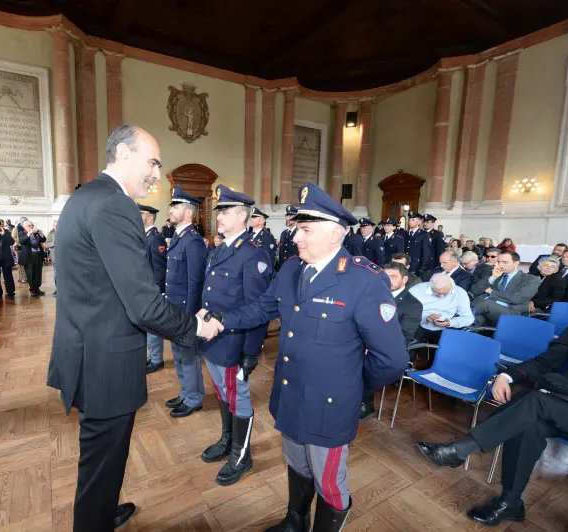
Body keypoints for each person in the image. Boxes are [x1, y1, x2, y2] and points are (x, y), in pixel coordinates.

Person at [203, 183, 409, 531]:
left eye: (306, 229)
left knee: (329, 482)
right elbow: (261, 308)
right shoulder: (290, 270)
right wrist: (221, 320)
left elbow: (392, 359)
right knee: (296, 463)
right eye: (298, 227)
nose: (296, 236)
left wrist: (349, 388)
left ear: (336, 234)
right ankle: (294, 521)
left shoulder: (363, 281)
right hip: (290, 393)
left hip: (329, 405)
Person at [47, 125, 222, 532]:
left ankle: (103, 512)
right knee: (100, 461)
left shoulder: (84, 196)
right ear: (124, 154)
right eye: (153, 163)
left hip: (86, 350)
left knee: (105, 460)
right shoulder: (115, 205)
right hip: (105, 363)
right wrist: (193, 327)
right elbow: (143, 304)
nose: (157, 175)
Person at [416, 306, 568, 527]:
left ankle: (462, 449)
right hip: (564, 406)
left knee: (534, 401)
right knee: (528, 423)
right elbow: (546, 362)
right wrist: (506, 376)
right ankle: (510, 502)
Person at [198, 185, 272, 486]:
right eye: (219, 211)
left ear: (243, 215)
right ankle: (227, 440)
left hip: (233, 344)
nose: (219, 216)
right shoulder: (220, 250)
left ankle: (242, 456)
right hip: (212, 340)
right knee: (222, 394)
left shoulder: (253, 254)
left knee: (238, 399)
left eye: (225, 211)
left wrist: (250, 353)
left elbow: (259, 309)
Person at [163, 186, 208, 418]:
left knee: (189, 356)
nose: (171, 209)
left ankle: (194, 398)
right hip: (174, 308)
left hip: (185, 312)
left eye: (176, 206)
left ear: (189, 213)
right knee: (179, 355)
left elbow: (195, 283)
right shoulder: (178, 238)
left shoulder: (193, 242)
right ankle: (185, 392)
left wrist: (191, 318)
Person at [361, 262, 423, 418]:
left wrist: (370, 345)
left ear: (404, 280)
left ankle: (364, 403)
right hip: (364, 342)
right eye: (384, 276)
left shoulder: (413, 304)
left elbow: (404, 335)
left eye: (393, 277)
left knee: (362, 363)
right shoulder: (370, 295)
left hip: (389, 349)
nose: (387, 281)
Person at [470, 250, 540, 327]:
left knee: (485, 303)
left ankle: (459, 316)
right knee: (476, 317)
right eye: (499, 262)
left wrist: (491, 292)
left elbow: (516, 298)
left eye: (504, 262)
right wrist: (492, 278)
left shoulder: (531, 279)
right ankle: (482, 334)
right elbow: (475, 290)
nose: (500, 265)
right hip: (488, 311)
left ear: (516, 263)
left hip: (512, 312)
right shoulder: (494, 273)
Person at [139, 204, 167, 374]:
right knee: (148, 326)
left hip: (153, 291)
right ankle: (153, 356)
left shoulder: (155, 238)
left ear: (149, 217)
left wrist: (156, 291)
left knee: (154, 326)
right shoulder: (146, 236)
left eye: (140, 214)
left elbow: (159, 269)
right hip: (145, 289)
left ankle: (157, 359)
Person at [409, 273, 475, 343]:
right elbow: (407, 314)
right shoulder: (416, 290)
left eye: (446, 293)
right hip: (418, 325)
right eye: (436, 292)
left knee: (448, 350)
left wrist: (450, 322)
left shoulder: (460, 292)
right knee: (407, 347)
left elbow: (468, 318)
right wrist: (425, 318)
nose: (440, 296)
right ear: (430, 285)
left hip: (446, 328)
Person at [20, 221, 46, 296]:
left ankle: (37, 288)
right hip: (29, 257)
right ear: (25, 227)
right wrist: (29, 234)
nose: (31, 227)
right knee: (31, 274)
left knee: (38, 273)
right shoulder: (22, 233)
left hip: (38, 255)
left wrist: (40, 233)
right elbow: (22, 241)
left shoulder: (36, 233)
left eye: (32, 225)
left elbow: (43, 240)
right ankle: (32, 289)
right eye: (29, 225)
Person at [277, 205, 299, 271]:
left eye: (291, 216)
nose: (288, 218)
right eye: (287, 216)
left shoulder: (299, 233)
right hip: (282, 267)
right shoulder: (284, 233)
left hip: (294, 268)